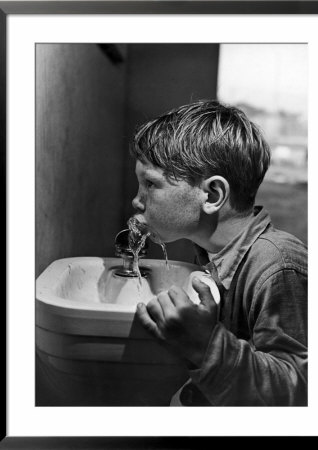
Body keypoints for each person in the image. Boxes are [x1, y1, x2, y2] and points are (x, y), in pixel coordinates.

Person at [131, 100, 307, 406]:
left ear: (212, 195)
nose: (137, 201)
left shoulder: (278, 264)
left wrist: (205, 345)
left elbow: (301, 392)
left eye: (150, 184)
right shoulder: (212, 256)